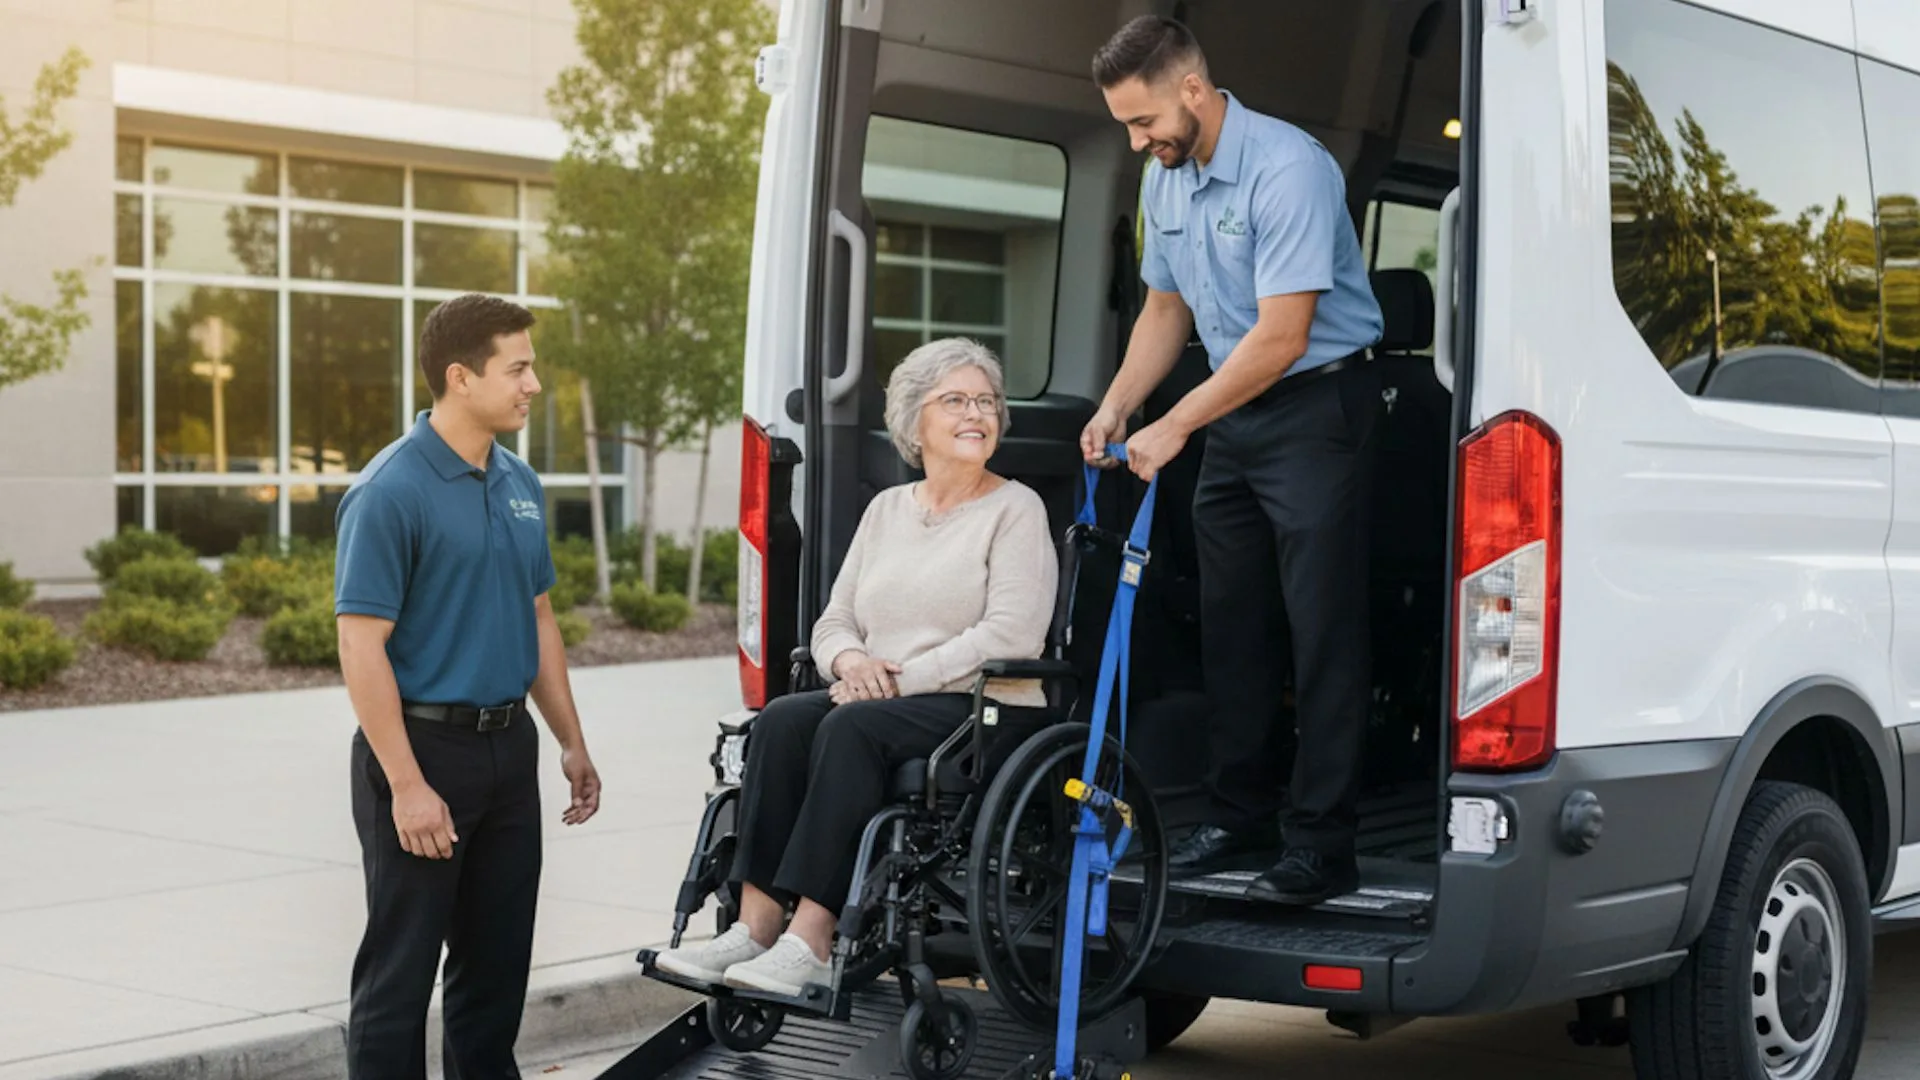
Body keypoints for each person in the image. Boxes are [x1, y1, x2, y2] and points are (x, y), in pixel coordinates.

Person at [1082, 16, 1385, 906]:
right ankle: (1240, 810)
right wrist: (1118, 405)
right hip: (1234, 410)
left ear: (1191, 89)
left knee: (1321, 626)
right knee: (1232, 618)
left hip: (1317, 403)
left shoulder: (1289, 168)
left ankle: (1324, 844)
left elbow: (1283, 336)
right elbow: (1164, 312)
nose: (1138, 142)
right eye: (1125, 130)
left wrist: (1175, 425)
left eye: (1143, 123)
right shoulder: (1163, 177)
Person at [654, 337, 1057, 997]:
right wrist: (850, 659)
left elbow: (1011, 632)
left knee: (851, 730)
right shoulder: (887, 511)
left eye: (986, 401)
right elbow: (834, 619)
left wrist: (897, 678)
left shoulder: (1016, 509)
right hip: (884, 695)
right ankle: (754, 927)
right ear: (913, 421)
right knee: (782, 721)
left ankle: (811, 937)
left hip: (984, 704)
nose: (976, 413)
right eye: (954, 400)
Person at [334, 293, 603, 1079]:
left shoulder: (518, 481)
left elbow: (540, 617)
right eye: (517, 367)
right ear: (460, 377)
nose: (533, 384)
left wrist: (570, 741)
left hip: (507, 750)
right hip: (422, 753)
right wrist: (407, 784)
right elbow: (360, 646)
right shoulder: (389, 491)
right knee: (400, 975)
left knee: (494, 978)